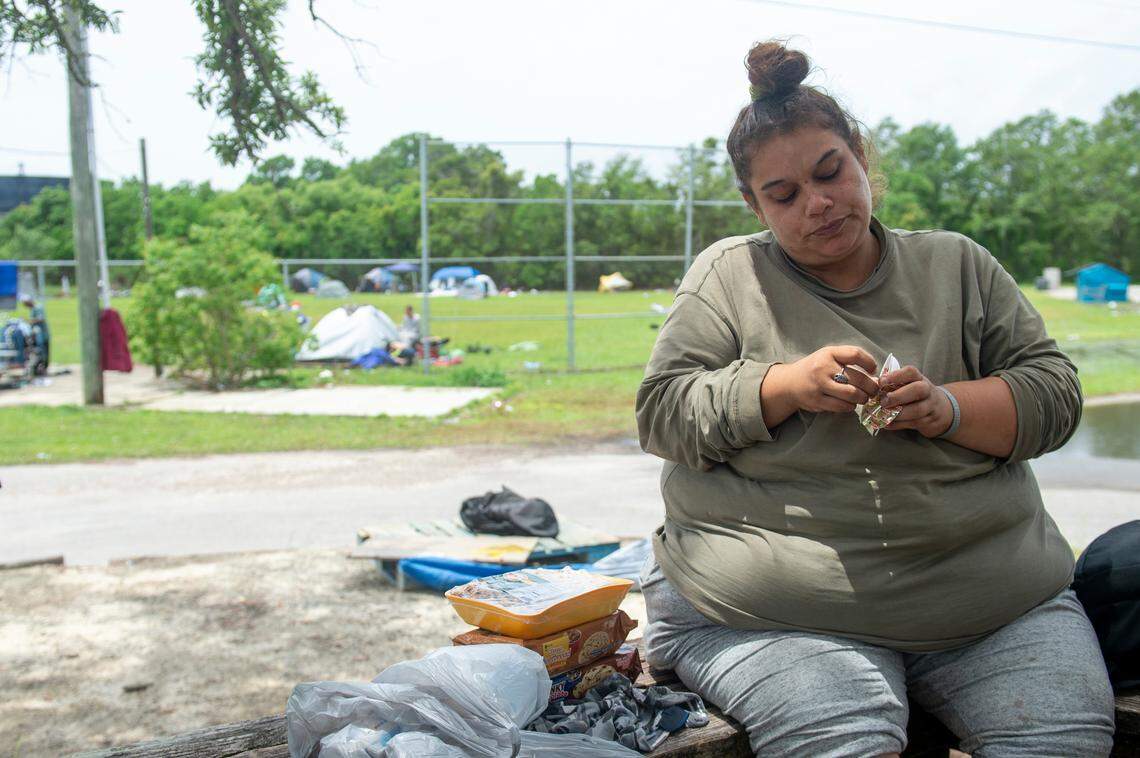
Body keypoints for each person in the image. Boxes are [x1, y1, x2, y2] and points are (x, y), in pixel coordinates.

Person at [635, 41, 1114, 757]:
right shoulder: (730, 275)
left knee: (1064, 740)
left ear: (861, 156)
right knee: (846, 742)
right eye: (784, 194)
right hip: (771, 619)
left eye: (831, 172)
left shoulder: (957, 264)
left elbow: (1053, 396)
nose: (818, 203)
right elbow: (663, 414)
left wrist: (943, 407)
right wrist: (784, 385)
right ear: (752, 204)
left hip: (997, 610)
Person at [21, 294, 49, 372]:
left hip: (42, 335)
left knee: (43, 351)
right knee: (37, 351)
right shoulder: (32, 309)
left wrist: (28, 321)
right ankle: (38, 367)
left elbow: (41, 319)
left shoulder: (38, 307)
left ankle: (43, 368)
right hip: (36, 336)